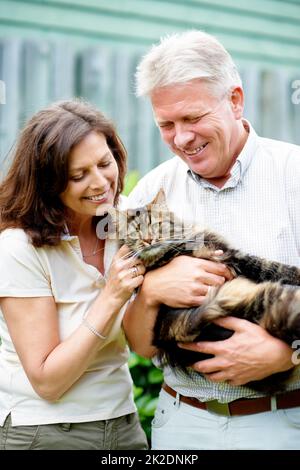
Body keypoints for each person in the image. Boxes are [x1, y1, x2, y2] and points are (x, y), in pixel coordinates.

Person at [123, 30, 300, 450]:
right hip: (181, 423)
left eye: (193, 118)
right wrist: (149, 294)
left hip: (285, 423)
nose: (181, 138)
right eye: (166, 124)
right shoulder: (151, 193)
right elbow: (140, 346)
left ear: (235, 100)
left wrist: (290, 357)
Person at [0, 99, 148, 450]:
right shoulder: (18, 248)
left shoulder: (126, 218)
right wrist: (112, 296)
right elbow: (48, 382)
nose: (101, 183)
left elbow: (146, 339)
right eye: (78, 175)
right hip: (45, 430)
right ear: (49, 184)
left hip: (124, 424)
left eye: (104, 163)